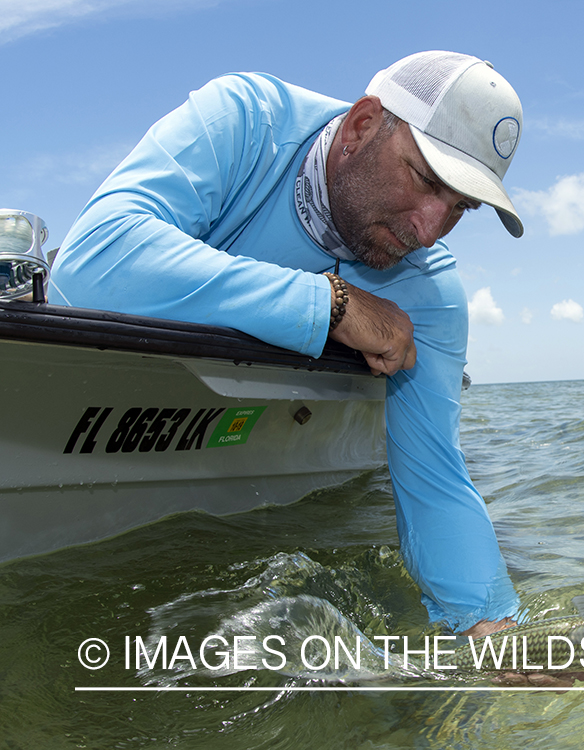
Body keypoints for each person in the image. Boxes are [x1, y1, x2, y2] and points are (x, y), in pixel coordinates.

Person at [49, 51, 524, 637]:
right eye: (426, 180)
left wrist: (493, 632)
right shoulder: (244, 120)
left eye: (460, 208)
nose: (427, 231)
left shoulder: (432, 294)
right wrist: (330, 306)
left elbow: (435, 480)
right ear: (361, 126)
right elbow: (92, 264)